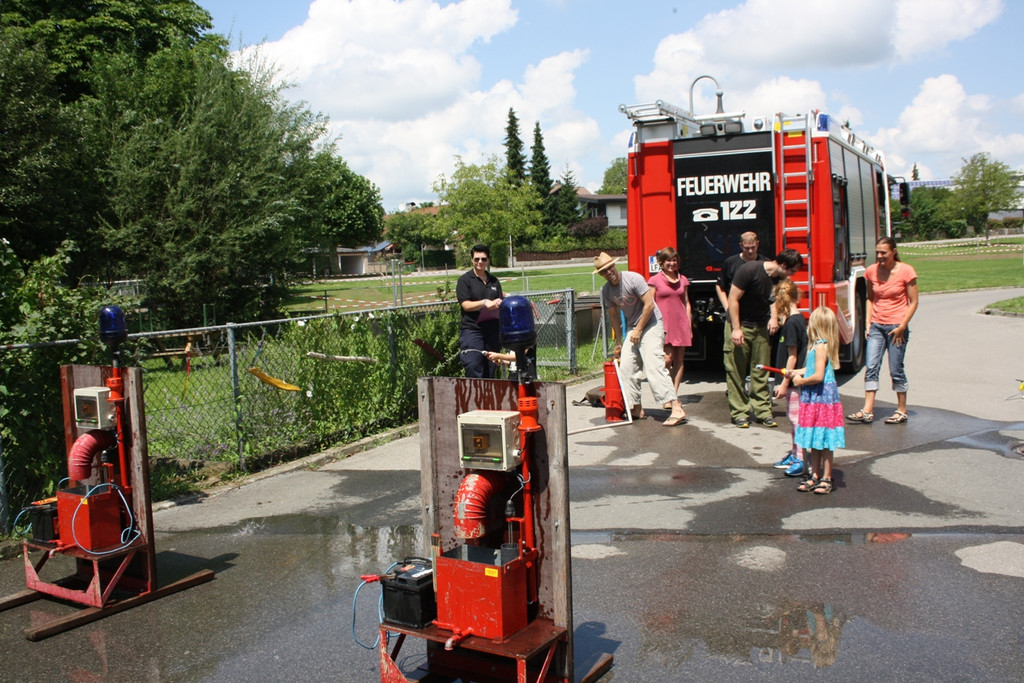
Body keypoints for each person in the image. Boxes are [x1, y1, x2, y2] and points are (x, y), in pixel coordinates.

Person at [594, 252, 687, 426]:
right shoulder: (606, 291)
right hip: (633, 327)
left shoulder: (633, 279)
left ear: (615, 265)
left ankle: (676, 408)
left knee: (654, 366)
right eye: (604, 271)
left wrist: (638, 330)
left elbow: (650, 304)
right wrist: (619, 342)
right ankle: (636, 407)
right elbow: (613, 314)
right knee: (627, 367)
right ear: (600, 274)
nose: (609, 272)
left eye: (610, 267)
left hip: (652, 323)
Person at [725, 248, 804, 428]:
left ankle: (762, 411)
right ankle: (740, 413)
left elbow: (772, 299)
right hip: (740, 325)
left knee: (760, 371)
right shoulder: (750, 270)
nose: (792, 275)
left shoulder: (779, 279)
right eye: (792, 270)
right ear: (783, 265)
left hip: (760, 326)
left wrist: (774, 317)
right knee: (736, 370)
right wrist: (736, 329)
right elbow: (733, 299)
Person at [847, 236, 919, 425]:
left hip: (897, 326)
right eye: (877, 252)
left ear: (893, 252)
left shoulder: (906, 271)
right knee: (871, 367)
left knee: (896, 369)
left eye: (883, 253)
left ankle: (901, 409)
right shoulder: (871, 271)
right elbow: (870, 298)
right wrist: (868, 324)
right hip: (877, 326)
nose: (879, 256)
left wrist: (902, 326)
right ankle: (867, 410)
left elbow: (914, 302)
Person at [788, 306, 846, 495]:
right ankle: (815, 474)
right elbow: (812, 369)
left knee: (825, 440)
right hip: (815, 400)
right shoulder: (818, 346)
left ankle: (826, 477)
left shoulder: (820, 346)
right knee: (814, 439)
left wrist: (801, 381)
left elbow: (819, 376)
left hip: (821, 400)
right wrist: (796, 372)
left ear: (815, 325)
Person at [771, 279, 808, 477]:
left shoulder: (793, 323)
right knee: (793, 419)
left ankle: (801, 459)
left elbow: (792, 356)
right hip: (792, 382)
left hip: (793, 382)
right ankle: (795, 453)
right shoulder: (794, 319)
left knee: (797, 420)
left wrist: (784, 383)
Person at [648, 246, 692, 400]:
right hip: (663, 325)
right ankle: (665, 393)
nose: (672, 263)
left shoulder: (683, 280)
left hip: (681, 324)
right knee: (667, 360)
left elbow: (686, 303)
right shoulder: (654, 280)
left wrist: (689, 325)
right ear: (662, 262)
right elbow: (649, 304)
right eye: (668, 260)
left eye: (674, 260)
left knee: (679, 361)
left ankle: (673, 394)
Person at [456, 244, 503, 378]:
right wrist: (484, 303)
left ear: (488, 260)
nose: (480, 262)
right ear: (472, 260)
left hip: (492, 330)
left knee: (491, 368)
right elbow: (465, 305)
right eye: (476, 259)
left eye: (483, 259)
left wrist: (499, 302)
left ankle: (487, 398)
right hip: (472, 330)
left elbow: (498, 300)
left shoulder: (494, 281)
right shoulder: (465, 280)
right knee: (473, 365)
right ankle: (474, 397)